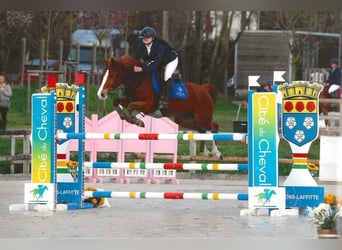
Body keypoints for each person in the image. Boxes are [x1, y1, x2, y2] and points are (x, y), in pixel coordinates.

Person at [133, 26, 178, 117]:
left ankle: (164, 100)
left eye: (147, 37)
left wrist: (141, 69)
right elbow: (135, 58)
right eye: (144, 38)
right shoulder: (141, 46)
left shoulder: (158, 47)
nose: (145, 39)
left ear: (152, 38)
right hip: (158, 61)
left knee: (166, 75)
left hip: (171, 60)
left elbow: (154, 65)